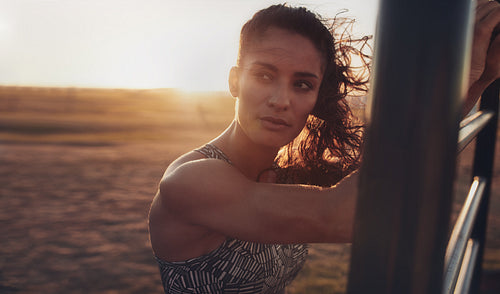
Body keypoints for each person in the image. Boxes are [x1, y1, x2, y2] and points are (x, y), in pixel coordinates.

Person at [149, 1, 500, 293]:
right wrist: (455, 74)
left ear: (317, 96)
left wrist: (479, 77)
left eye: (302, 84)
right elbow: (355, 215)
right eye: (264, 75)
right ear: (234, 81)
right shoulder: (191, 182)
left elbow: (397, 173)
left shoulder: (286, 170)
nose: (280, 100)